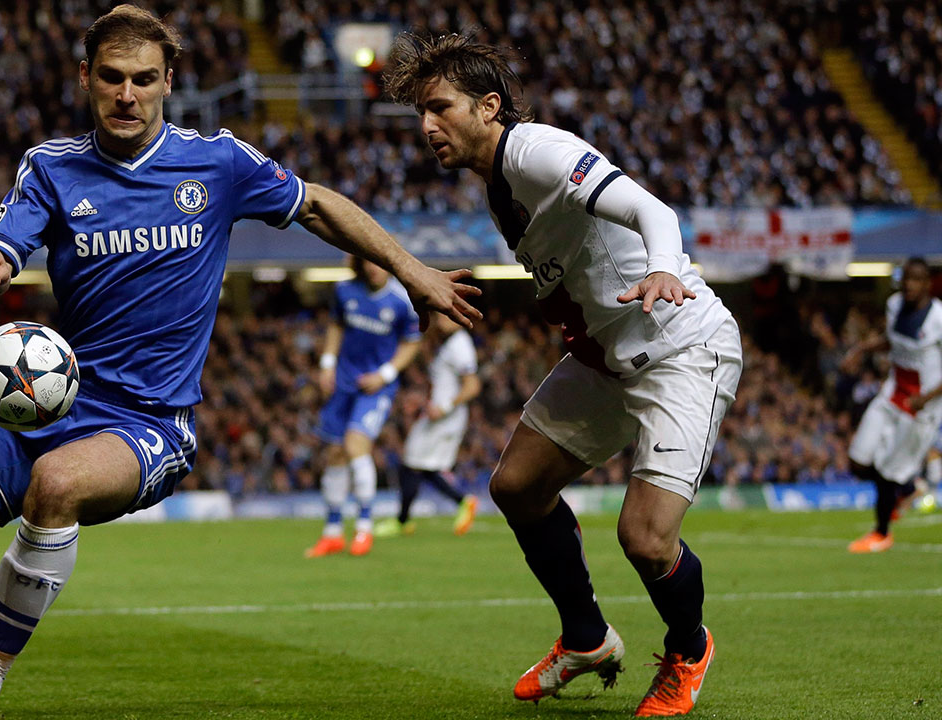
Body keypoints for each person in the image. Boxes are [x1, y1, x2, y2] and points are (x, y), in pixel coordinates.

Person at [0, 7, 480, 720]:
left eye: (143, 79)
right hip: (51, 402)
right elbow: (10, 234)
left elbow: (318, 205)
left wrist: (417, 273)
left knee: (57, 482)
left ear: (169, 81)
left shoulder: (219, 162)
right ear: (86, 79)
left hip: (149, 424)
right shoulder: (51, 167)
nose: (127, 95)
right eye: (111, 78)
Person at [385, 32, 742, 717]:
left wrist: (664, 266)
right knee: (517, 485)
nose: (427, 127)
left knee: (644, 537)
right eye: (420, 115)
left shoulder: (535, 150)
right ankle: (585, 638)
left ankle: (689, 647)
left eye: (440, 108)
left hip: (679, 346)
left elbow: (651, 210)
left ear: (490, 107)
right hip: (607, 356)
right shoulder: (494, 182)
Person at [306, 256, 421, 558]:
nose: (373, 268)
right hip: (342, 382)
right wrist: (327, 363)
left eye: (378, 263)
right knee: (334, 453)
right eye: (367, 262)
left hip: (376, 388)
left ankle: (364, 527)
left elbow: (412, 343)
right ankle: (332, 532)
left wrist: (385, 374)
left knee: (356, 444)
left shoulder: (400, 301)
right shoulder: (345, 290)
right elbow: (335, 326)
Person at [843, 257, 942, 553]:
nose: (909, 285)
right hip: (892, 394)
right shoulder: (895, 305)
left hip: (920, 407)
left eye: (916, 280)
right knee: (858, 462)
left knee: (886, 473)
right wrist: (860, 349)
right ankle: (908, 488)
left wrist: (925, 398)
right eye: (905, 279)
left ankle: (881, 534)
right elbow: (893, 341)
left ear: (927, 284)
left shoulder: (938, 317)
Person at [374, 311, 480, 538]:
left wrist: (445, 407)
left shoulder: (460, 345)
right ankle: (455, 503)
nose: (439, 322)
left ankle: (408, 519)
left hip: (445, 417)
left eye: (444, 317)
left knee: (414, 463)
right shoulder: (450, 344)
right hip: (437, 414)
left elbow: (472, 386)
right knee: (418, 464)